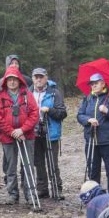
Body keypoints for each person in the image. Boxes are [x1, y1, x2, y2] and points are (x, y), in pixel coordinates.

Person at [0, 65, 39, 206]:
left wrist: (22, 130)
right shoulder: (0, 97)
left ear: (19, 80)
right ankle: (12, 194)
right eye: (9, 79)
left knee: (28, 166)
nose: (12, 82)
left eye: (15, 79)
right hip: (8, 137)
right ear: (5, 82)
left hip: (27, 136)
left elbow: (34, 114)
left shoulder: (27, 95)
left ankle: (30, 194)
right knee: (10, 167)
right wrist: (12, 132)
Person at [77, 73, 109, 196]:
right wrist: (88, 120)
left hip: (108, 141)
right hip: (91, 141)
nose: (93, 86)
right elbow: (79, 115)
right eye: (91, 84)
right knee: (93, 171)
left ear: (103, 83)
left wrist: (107, 111)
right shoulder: (87, 99)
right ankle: (95, 196)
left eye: (96, 83)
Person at [30, 68, 67, 200]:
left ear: (46, 78)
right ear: (32, 78)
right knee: (38, 163)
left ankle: (57, 189)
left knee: (52, 163)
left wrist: (49, 110)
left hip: (51, 133)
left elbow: (63, 113)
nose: (38, 79)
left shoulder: (54, 93)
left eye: (41, 77)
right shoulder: (28, 93)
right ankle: (42, 189)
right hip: (33, 133)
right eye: (36, 77)